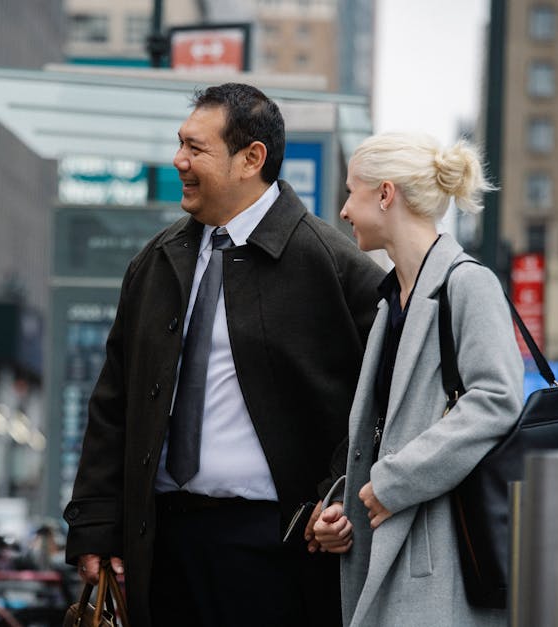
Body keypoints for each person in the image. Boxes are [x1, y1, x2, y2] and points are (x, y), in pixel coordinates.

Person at [62, 82, 384, 627]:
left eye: (196, 148)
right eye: (179, 143)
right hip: (161, 544)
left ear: (250, 159)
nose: (178, 160)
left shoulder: (330, 264)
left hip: (277, 552)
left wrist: (337, 493)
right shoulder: (157, 261)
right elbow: (114, 402)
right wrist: (96, 525)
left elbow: (387, 394)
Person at [313, 131, 524, 626]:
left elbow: (497, 398)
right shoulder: (392, 301)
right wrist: (342, 506)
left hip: (441, 550)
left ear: (385, 194)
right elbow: (386, 429)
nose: (343, 210)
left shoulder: (467, 282)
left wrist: (393, 483)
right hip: (391, 543)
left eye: (352, 191)